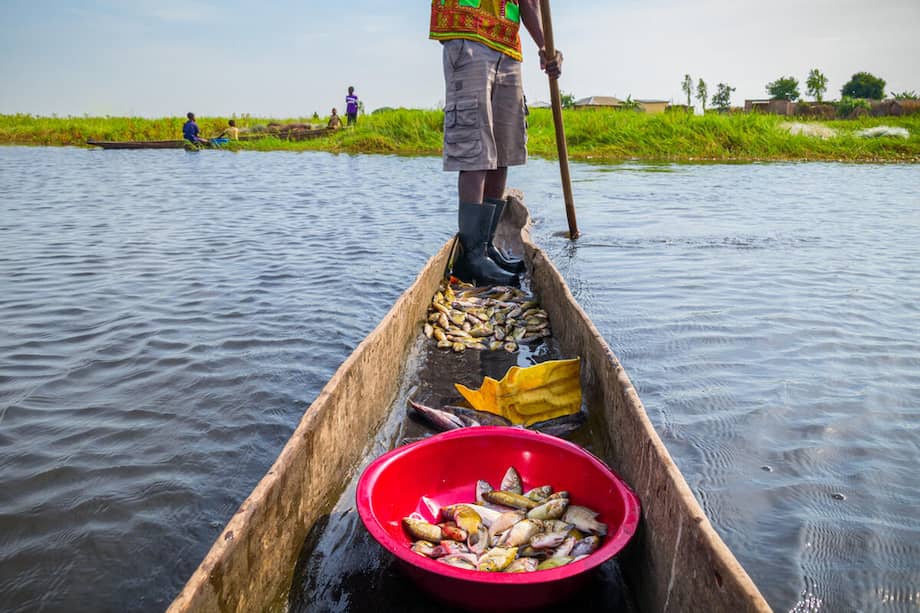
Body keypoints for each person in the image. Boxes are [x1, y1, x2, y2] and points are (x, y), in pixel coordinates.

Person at [430, 0, 562, 286]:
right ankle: (471, 258)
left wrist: (544, 45)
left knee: (504, 151)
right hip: (469, 36)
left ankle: (486, 246)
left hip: (507, 46)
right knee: (475, 149)